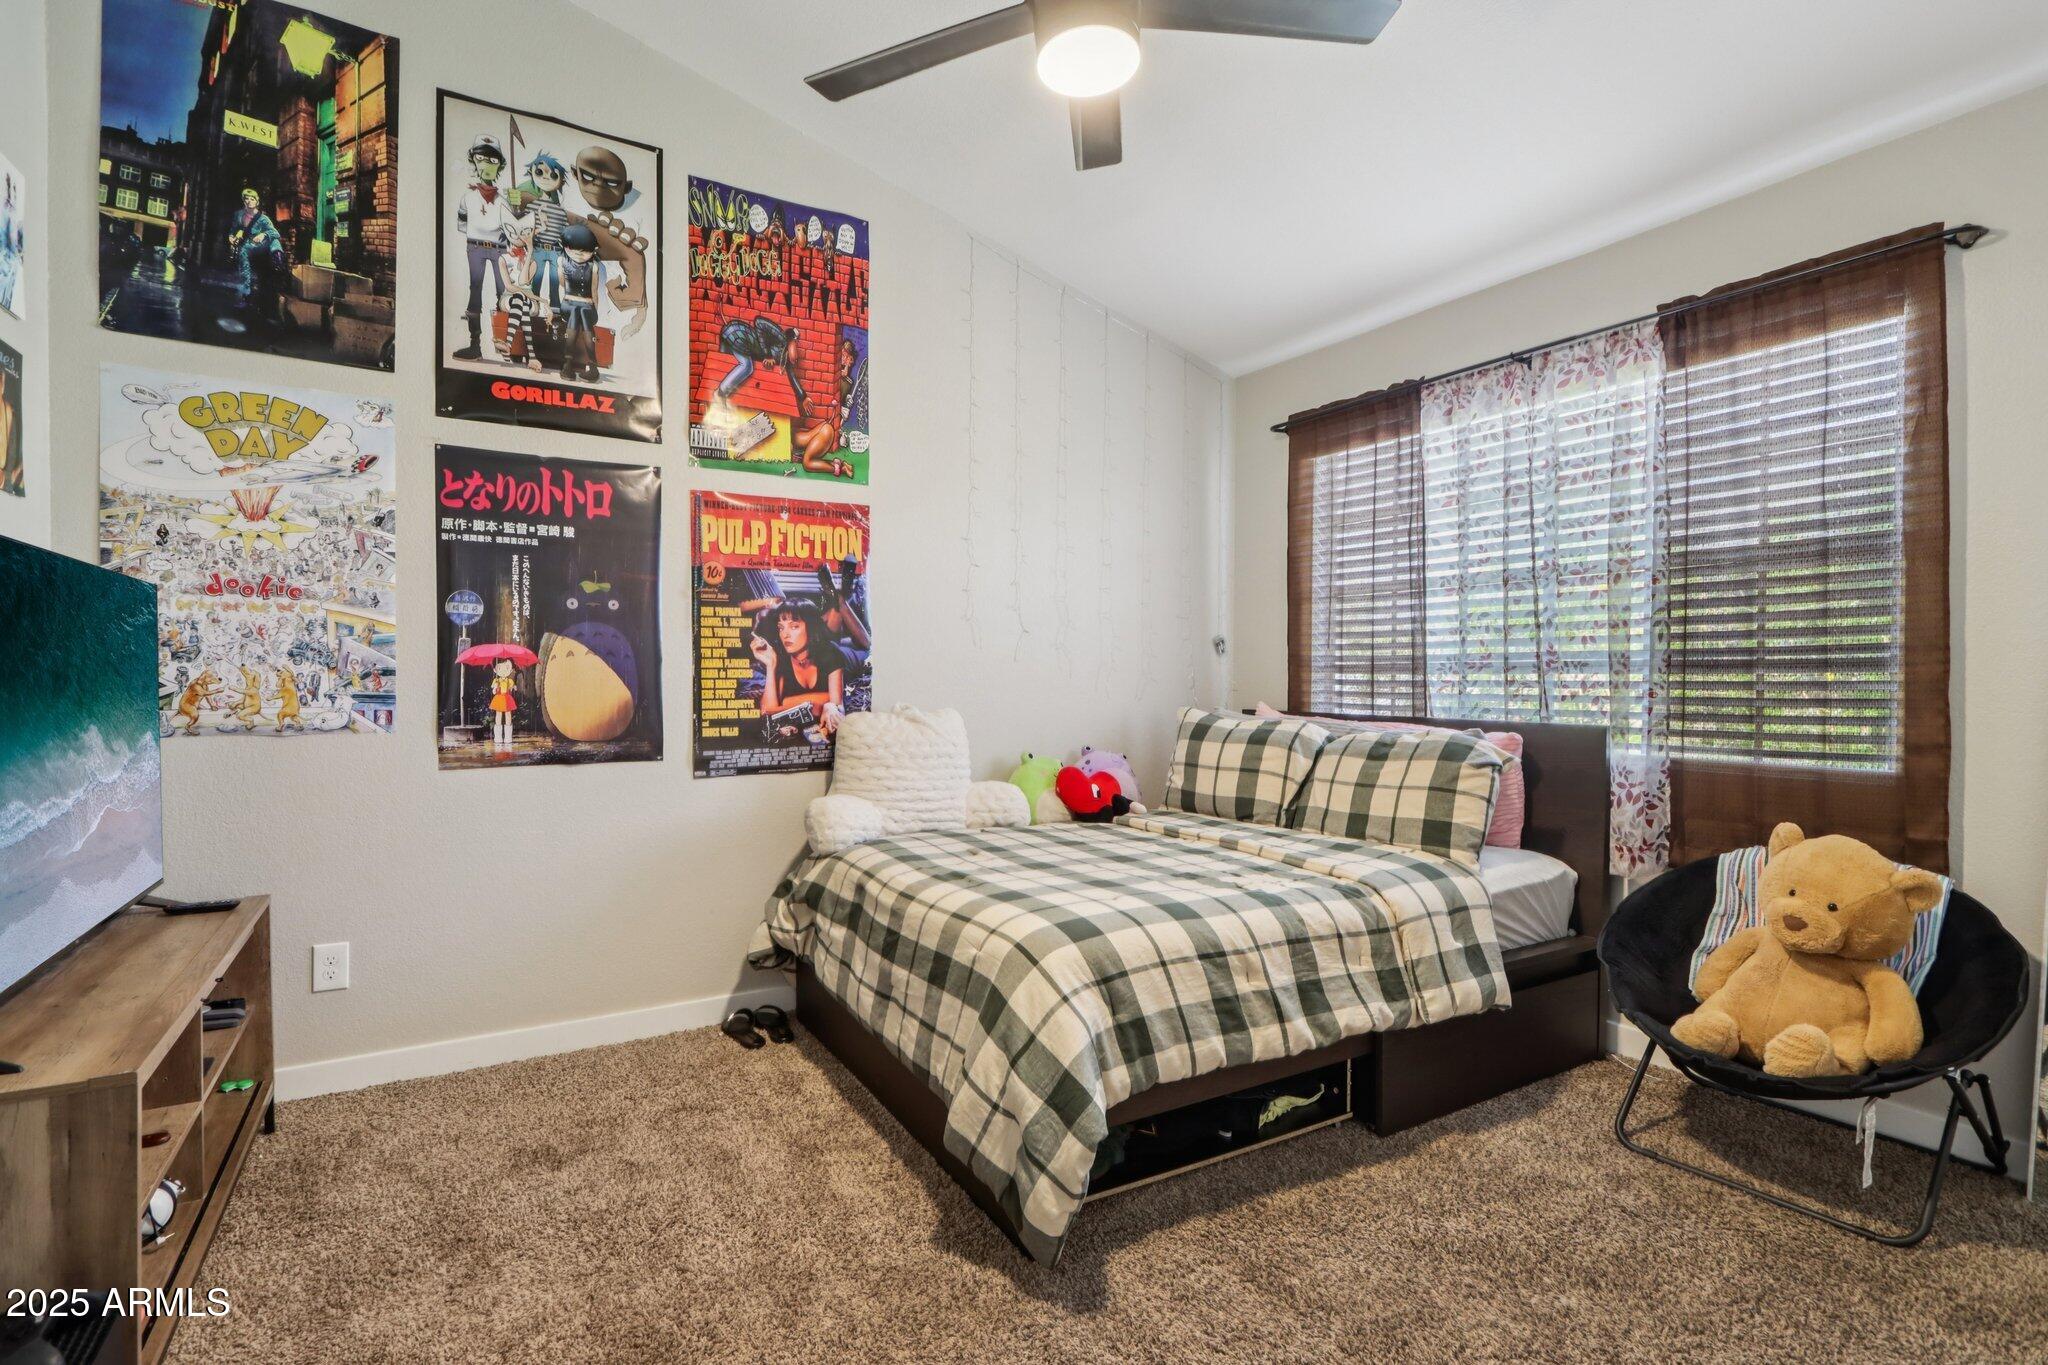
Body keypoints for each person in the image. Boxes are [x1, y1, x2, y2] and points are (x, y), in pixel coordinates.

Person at [453, 136, 516, 360]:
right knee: (475, 291)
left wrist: (516, 208)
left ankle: (507, 345)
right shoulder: (467, 197)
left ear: (499, 164)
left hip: (499, 249)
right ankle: (474, 344)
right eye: (482, 158)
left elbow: (513, 228)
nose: (487, 165)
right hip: (476, 247)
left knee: (503, 294)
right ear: (474, 161)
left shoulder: (505, 199)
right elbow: (462, 225)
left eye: (492, 160)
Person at [749, 601, 845, 738]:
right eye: (781, 628)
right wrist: (771, 665)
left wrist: (789, 703)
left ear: (811, 628)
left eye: (794, 627)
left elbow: (837, 706)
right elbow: (767, 712)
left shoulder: (831, 653)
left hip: (851, 657)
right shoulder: (781, 657)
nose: (785, 635)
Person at [556, 223, 605, 382]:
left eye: (584, 250)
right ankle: (592, 366)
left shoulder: (594, 266)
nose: (579, 253)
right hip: (569, 304)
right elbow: (562, 284)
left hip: (584, 305)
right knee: (579, 312)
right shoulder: (561, 261)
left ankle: (568, 365)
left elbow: (594, 291)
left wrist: (595, 311)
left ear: (593, 250)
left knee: (581, 312)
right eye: (573, 248)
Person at [228, 188, 283, 315]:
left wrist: (263, 235)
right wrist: (231, 238)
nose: (249, 201)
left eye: (252, 199)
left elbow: (275, 233)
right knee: (245, 268)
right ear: (243, 201)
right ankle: (246, 297)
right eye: (246, 198)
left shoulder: (263, 218)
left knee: (273, 240)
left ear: (257, 202)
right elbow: (232, 230)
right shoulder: (239, 215)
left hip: (260, 248)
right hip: (245, 248)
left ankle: (277, 256)